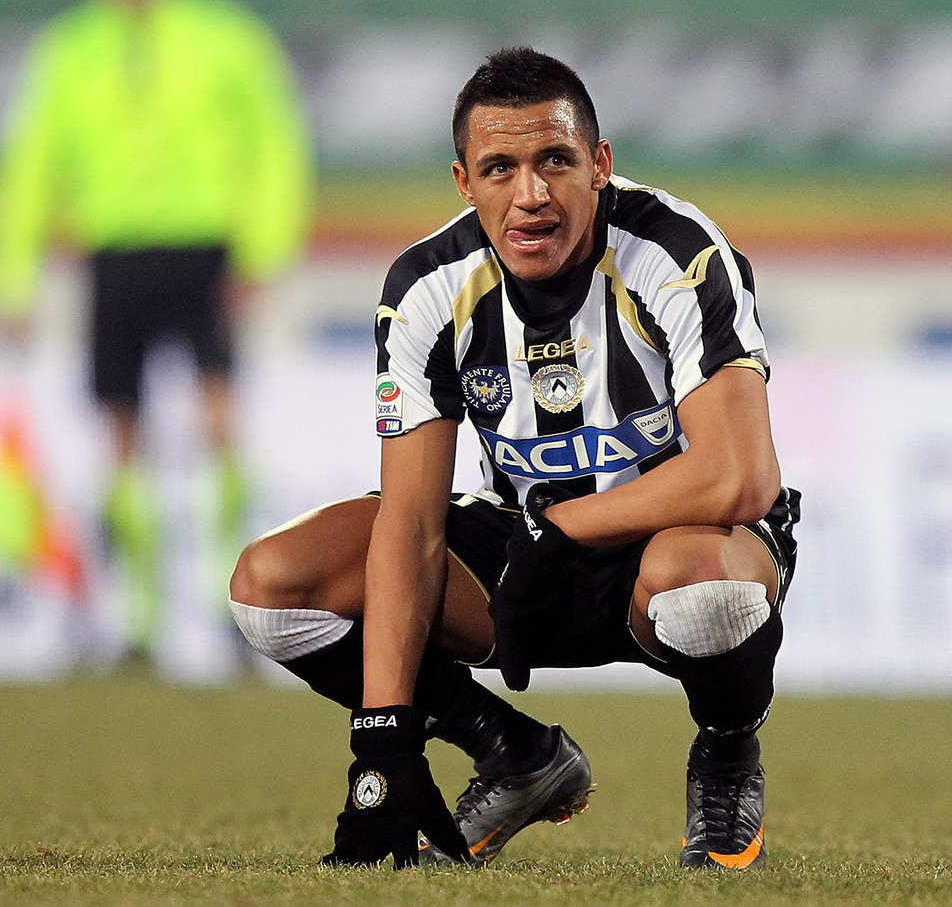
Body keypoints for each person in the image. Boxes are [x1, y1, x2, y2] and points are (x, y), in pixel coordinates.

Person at [228, 46, 799, 870]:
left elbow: (741, 475)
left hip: (675, 543)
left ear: (599, 166)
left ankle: (728, 751)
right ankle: (511, 752)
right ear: (465, 182)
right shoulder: (426, 287)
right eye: (500, 168)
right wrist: (381, 744)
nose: (529, 194)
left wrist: (566, 528)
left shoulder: (674, 251)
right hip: (520, 556)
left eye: (554, 161)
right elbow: (412, 526)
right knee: (273, 587)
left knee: (706, 590)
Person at [0, 0, 313, 659]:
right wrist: (12, 274)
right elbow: (32, 159)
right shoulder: (73, 46)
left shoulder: (226, 38)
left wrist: (265, 247)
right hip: (115, 252)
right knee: (121, 430)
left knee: (219, 420)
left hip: (206, 247)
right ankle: (137, 614)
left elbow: (272, 141)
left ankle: (237, 602)